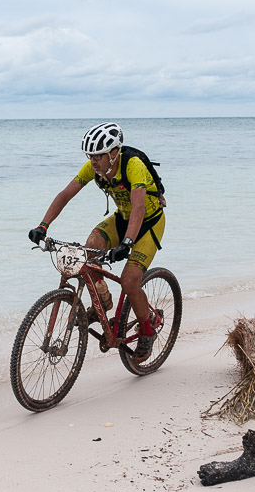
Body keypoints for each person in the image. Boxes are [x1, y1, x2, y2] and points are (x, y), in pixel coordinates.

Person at [28, 122, 166, 363]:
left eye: (98, 155)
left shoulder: (133, 165)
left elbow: (139, 207)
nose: (93, 161)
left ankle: (146, 331)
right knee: (88, 249)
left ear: (114, 153)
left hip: (149, 223)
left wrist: (127, 243)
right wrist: (43, 225)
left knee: (129, 281)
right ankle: (103, 300)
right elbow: (65, 195)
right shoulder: (93, 167)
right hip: (122, 219)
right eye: (90, 155)